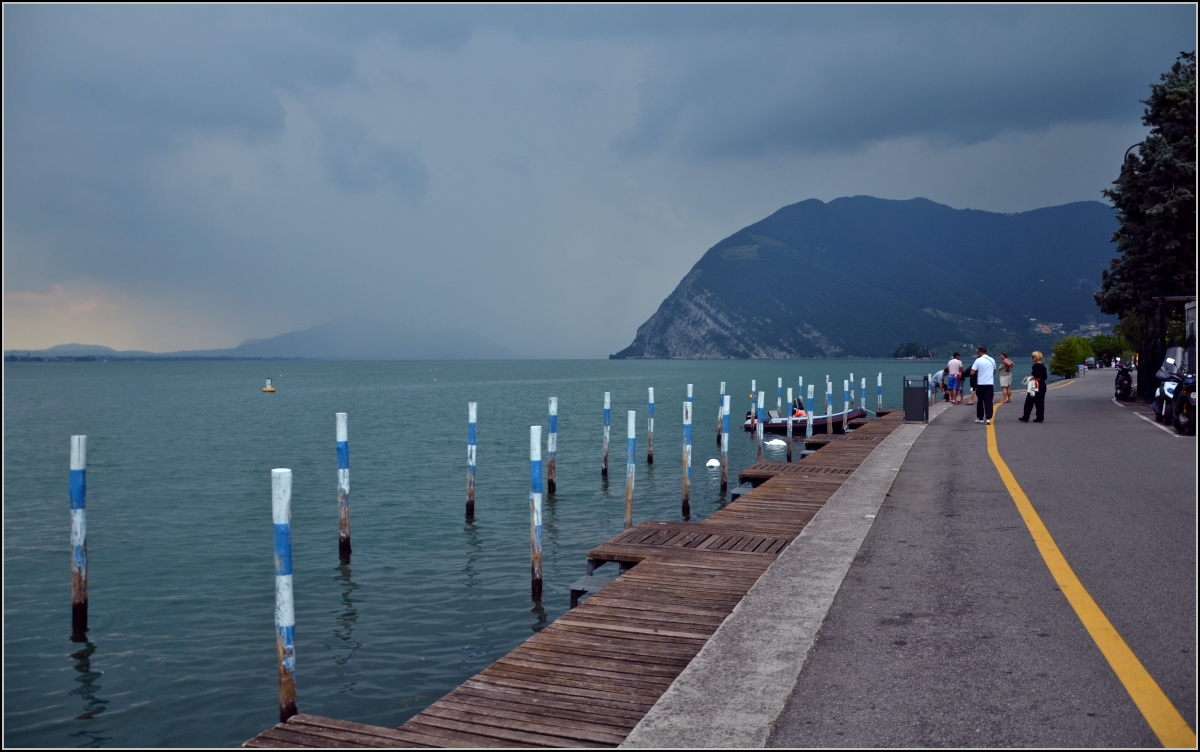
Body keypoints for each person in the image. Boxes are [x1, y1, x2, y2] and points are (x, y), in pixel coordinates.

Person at [969, 346, 997, 424]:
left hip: (980, 383)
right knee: (988, 400)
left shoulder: (978, 360)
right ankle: (988, 418)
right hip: (989, 384)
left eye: (978, 352)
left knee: (980, 401)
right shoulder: (992, 360)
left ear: (980, 352)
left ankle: (980, 418)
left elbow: (972, 372)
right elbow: (994, 372)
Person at [1019, 351, 1048, 422]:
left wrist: (1031, 378)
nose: (1032, 358)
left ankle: (1026, 416)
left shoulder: (1035, 366)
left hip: (1036, 385)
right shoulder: (1043, 366)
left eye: (1033, 357)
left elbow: (1036, 374)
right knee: (1040, 402)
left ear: (1036, 357)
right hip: (1042, 384)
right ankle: (1040, 417)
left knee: (1029, 401)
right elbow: (1045, 376)